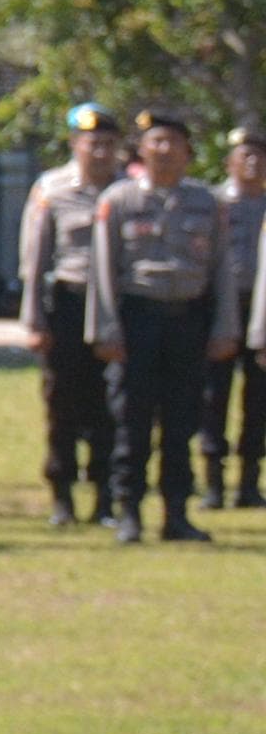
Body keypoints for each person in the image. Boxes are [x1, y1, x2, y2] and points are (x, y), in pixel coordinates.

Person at [87, 105, 245, 546]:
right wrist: (104, 329)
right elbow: (102, 271)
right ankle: (129, 512)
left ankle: (176, 514)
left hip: (188, 322)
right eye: (156, 141)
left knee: (182, 421)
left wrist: (225, 328)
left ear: (188, 152)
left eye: (173, 142)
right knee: (131, 421)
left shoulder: (206, 203)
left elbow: (222, 271)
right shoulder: (119, 201)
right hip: (137, 320)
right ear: (141, 150)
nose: (164, 149)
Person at [18, 102, 130, 527]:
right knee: (62, 405)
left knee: (112, 405)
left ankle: (104, 497)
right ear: (74, 144)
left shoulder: (128, 190)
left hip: (117, 309)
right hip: (68, 304)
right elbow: (34, 261)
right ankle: (62, 495)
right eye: (92, 143)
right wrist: (34, 321)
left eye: (108, 144)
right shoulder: (52, 189)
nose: (100, 152)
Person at [212, 123, 266, 508]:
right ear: (229, 162)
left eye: (260, 155)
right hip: (219, 308)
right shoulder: (211, 203)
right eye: (245, 155)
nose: (253, 162)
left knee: (259, 399)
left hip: (261, 309)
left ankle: (249, 482)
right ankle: (213, 482)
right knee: (213, 396)